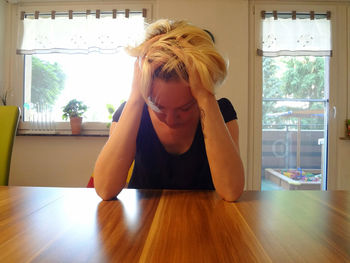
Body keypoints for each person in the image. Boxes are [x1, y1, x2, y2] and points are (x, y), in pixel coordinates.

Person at [93, 19, 244, 202]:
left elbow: (231, 191)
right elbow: (105, 189)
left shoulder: (221, 112)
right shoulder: (131, 111)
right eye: (158, 107)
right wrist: (135, 96)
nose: (171, 120)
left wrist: (206, 97)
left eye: (185, 107)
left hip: (207, 221)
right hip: (145, 226)